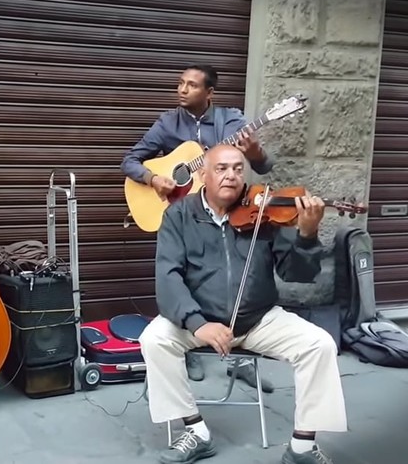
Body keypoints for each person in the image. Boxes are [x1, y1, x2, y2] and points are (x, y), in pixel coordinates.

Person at [140, 144, 347, 464]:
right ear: (202, 174)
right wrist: (198, 323)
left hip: (257, 319)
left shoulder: (264, 212)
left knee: (319, 344)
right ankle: (195, 431)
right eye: (221, 168)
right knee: (153, 340)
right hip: (200, 319)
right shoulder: (179, 215)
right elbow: (168, 278)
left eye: (238, 169)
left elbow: (297, 274)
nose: (231, 176)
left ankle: (303, 447)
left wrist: (307, 235)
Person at [121, 64, 275, 390]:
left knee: (236, 280)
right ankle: (189, 346)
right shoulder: (167, 123)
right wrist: (154, 178)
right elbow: (130, 160)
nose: (182, 89)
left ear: (209, 93)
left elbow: (263, 166)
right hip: (184, 216)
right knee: (177, 276)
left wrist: (256, 153)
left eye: (191, 85)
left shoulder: (230, 121)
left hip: (230, 215)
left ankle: (241, 355)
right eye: (180, 83)